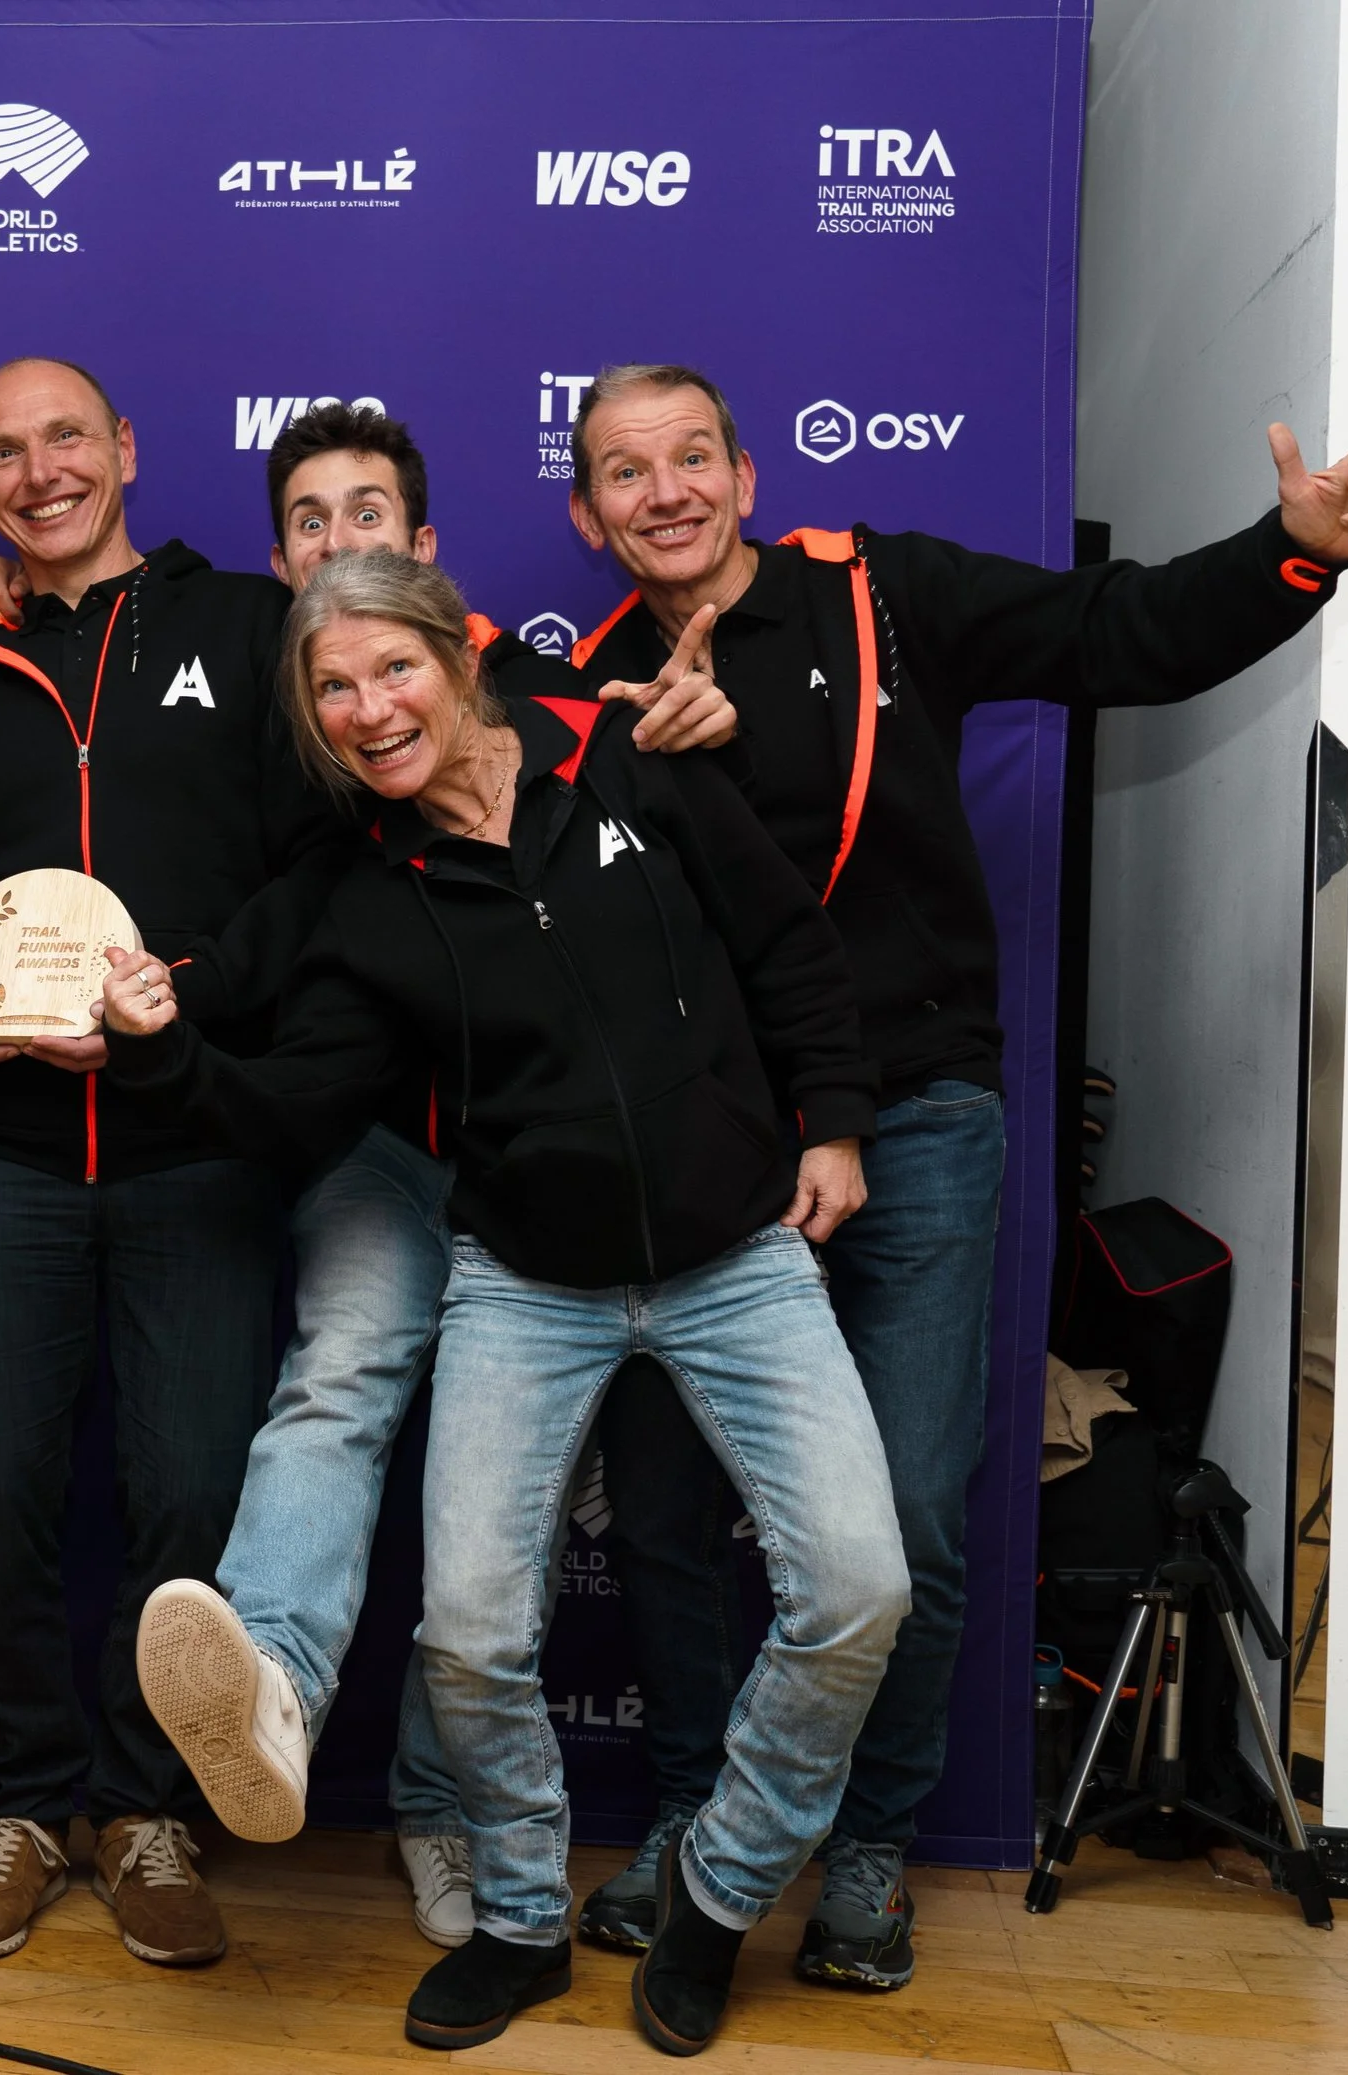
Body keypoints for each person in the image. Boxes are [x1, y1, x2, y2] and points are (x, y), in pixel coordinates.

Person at [560, 363, 1348, 1990]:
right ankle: (691, 1816)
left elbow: (1122, 632)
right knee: (667, 1509)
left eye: (688, 457)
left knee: (910, 1520)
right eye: (621, 471)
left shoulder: (885, 591)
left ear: (743, 470)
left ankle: (868, 1848)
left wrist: (1293, 552)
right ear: (586, 510)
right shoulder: (593, 689)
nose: (661, 492)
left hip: (920, 1119)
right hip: (712, 1151)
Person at [0, 402, 737, 1948]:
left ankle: (446, 1812)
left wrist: (697, 717)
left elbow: (685, 865)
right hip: (364, 1135)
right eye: (309, 522)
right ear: (278, 562)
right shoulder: (264, 658)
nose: (340, 545)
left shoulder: (542, 703)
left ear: (426, 551)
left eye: (367, 514)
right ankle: (272, 1697)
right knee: (346, 1376)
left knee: (492, 1518)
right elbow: (246, 922)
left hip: (542, 1150)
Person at [105, 550, 908, 2055]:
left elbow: (787, 939)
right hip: (524, 1284)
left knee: (861, 1587)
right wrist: (157, 1051)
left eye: (390, 669)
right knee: (469, 1631)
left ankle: (720, 1898)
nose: (368, 708)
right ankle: (525, 1920)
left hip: (738, 1258)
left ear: (456, 657)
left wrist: (835, 1117)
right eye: (331, 691)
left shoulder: (626, 755)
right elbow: (289, 1111)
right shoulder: (367, 891)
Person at [0, 357, 357, 1969]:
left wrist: (185, 1003)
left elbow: (311, 879)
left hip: (190, 1138)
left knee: (189, 1493)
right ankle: (17, 1793)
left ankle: (147, 1808)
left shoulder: (243, 633)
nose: (38, 471)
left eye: (65, 436)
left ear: (129, 451)